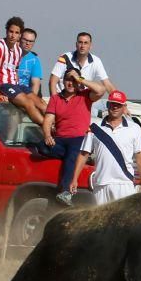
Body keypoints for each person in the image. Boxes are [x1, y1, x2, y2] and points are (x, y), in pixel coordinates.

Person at [40, 66, 105, 206]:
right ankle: (75, 156)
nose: (70, 83)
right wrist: (47, 135)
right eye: (68, 80)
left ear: (78, 82)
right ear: (63, 81)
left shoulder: (85, 95)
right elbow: (47, 121)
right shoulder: (56, 99)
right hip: (61, 139)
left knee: (72, 154)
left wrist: (79, 78)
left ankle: (66, 192)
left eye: (73, 80)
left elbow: (101, 90)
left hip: (78, 138)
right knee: (41, 147)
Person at [70, 90, 141, 204]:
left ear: (124, 107)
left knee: (123, 220)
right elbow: (83, 154)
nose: (115, 107)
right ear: (107, 105)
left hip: (124, 183)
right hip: (101, 184)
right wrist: (74, 179)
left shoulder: (134, 128)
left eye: (118, 105)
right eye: (112, 104)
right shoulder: (94, 128)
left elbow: (140, 156)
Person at [49, 32, 115, 96]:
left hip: (82, 101)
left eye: (86, 43)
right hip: (63, 99)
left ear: (90, 46)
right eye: (80, 42)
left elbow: (107, 84)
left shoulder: (96, 61)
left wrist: (121, 101)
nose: (82, 46)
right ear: (76, 44)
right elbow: (52, 82)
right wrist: (55, 102)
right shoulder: (65, 58)